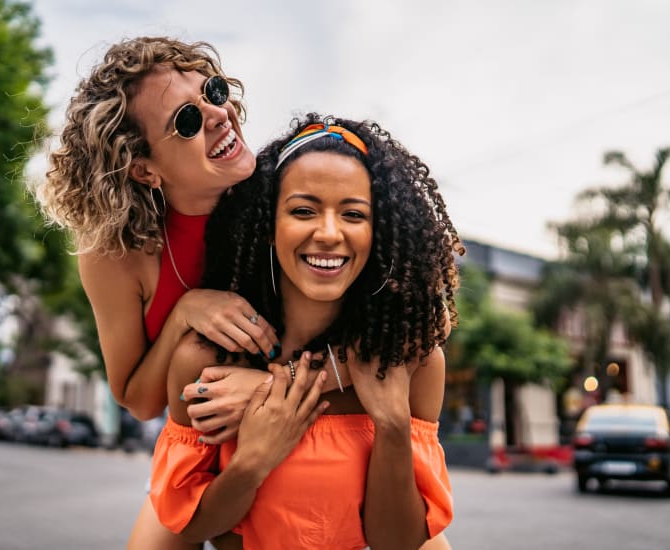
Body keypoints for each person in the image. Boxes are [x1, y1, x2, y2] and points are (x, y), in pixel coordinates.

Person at [150, 114, 464, 549]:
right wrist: (254, 461)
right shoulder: (207, 361)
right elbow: (190, 526)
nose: (329, 233)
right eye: (303, 211)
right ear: (268, 228)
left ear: (380, 235)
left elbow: (399, 543)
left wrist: (391, 426)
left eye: (354, 214)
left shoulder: (412, 362)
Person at [36, 37, 286, 550]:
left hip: (298, 427)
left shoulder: (290, 199)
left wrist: (264, 391)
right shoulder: (115, 254)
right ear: (144, 168)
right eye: (187, 122)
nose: (218, 114)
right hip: (195, 452)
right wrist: (184, 314)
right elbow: (137, 399)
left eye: (213, 91)